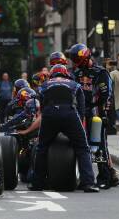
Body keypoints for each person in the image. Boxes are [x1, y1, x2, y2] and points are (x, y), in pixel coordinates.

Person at [30, 64, 99, 193]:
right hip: (70, 114)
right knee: (83, 148)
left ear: (52, 74)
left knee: (41, 147)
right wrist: (78, 122)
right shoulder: (75, 84)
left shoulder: (45, 85)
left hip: (50, 114)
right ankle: (88, 183)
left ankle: (37, 183)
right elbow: (81, 108)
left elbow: (41, 105)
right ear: (65, 74)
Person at [69, 43, 119, 189]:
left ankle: (104, 176)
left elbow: (107, 95)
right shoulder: (76, 73)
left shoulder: (100, 72)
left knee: (98, 145)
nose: (74, 62)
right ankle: (85, 175)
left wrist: (104, 113)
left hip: (96, 112)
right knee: (80, 144)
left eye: (75, 59)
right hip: (80, 112)